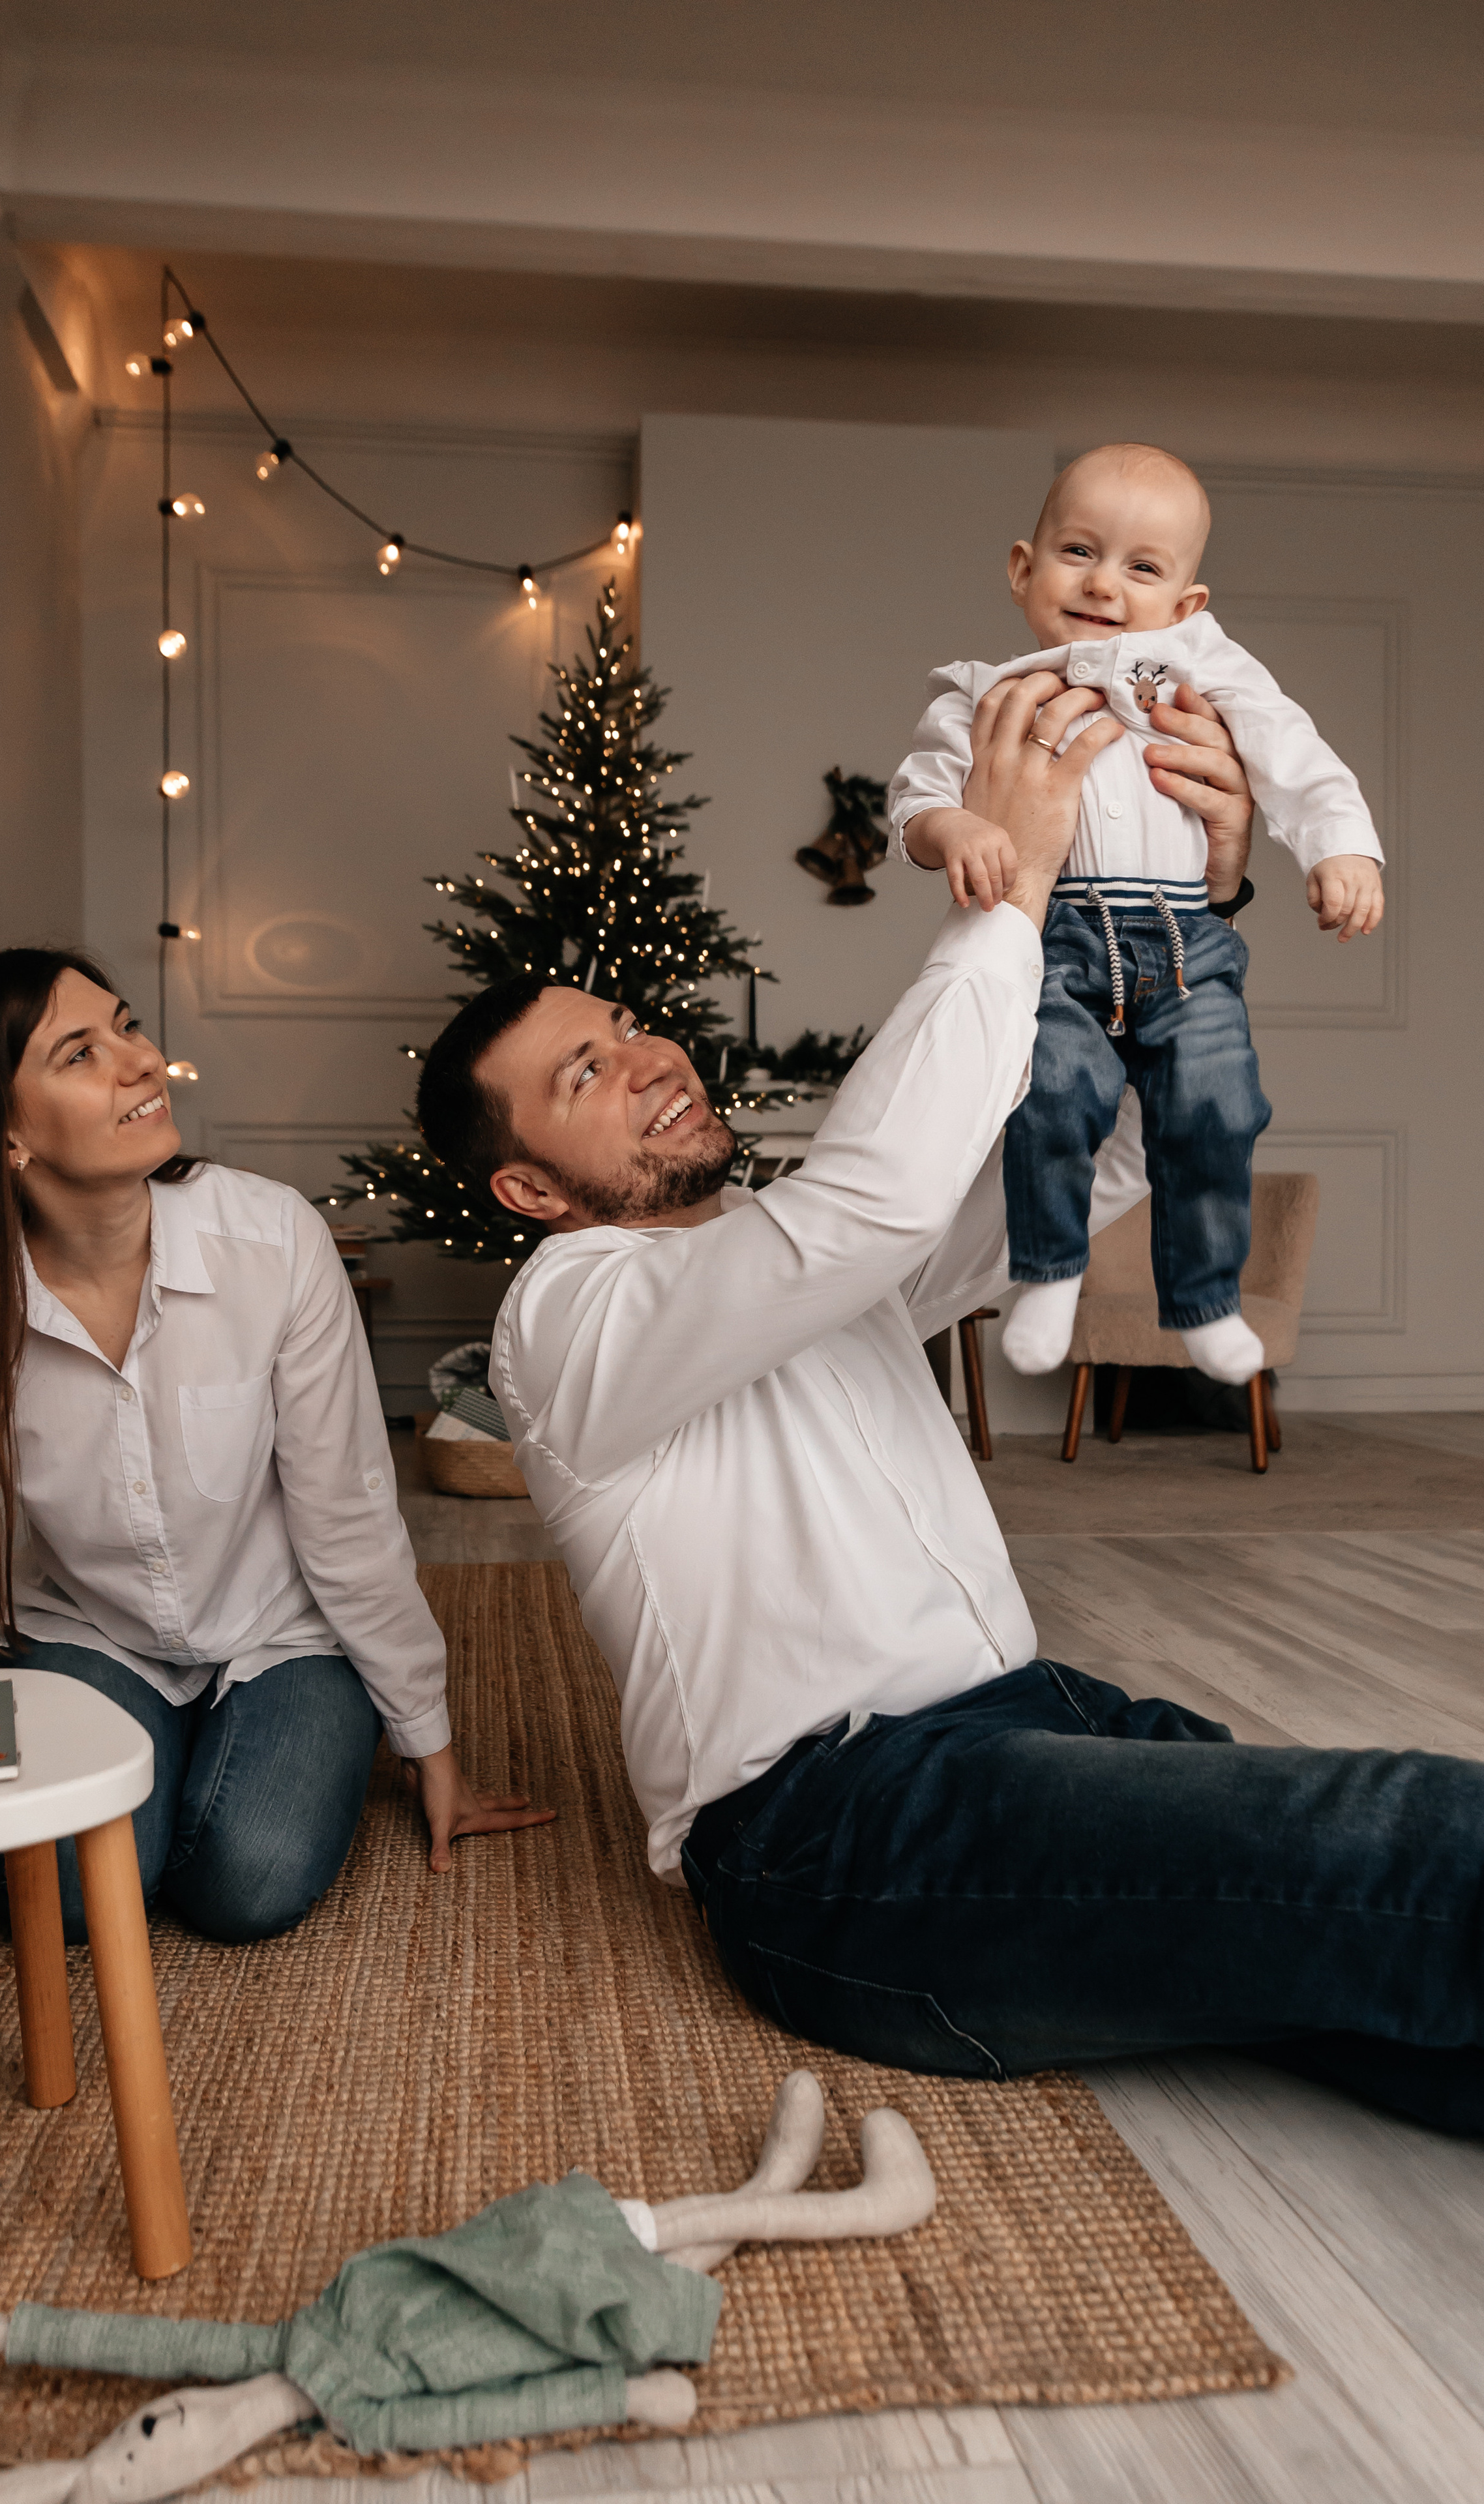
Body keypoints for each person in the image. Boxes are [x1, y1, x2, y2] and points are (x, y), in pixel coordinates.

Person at [414, 679, 1484, 2139]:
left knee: (1348, 1945)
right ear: (530, 1191)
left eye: (627, 1024)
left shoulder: (795, 1259)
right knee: (1396, 1841)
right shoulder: (566, 1314)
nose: (650, 1054)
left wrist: (1180, 899)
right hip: (845, 1842)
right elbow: (877, 1198)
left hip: (1026, 1724)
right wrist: (1009, 881)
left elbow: (1104, 1157)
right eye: (584, 1074)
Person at [0, 950, 550, 1982]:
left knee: (248, 1885)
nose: (143, 1060)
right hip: (92, 1630)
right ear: (4, 1136)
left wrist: (434, 1752)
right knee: (68, 1907)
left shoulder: (275, 1240)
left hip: (282, 1630)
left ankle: (236, 1750)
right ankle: (146, 1763)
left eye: (127, 1025)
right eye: (83, 1051)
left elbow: (348, 1520)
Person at [887, 441, 1386, 1388]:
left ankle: (1205, 1301)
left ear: (1187, 605)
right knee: (1053, 1101)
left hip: (1186, 935)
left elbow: (1293, 752)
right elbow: (913, 799)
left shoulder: (1202, 670)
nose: (1104, 584)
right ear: (1022, 570)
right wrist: (952, 828)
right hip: (1061, 937)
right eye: (1079, 551)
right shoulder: (984, 694)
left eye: (1142, 567)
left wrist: (1341, 846)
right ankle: (1048, 1273)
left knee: (1218, 1107)